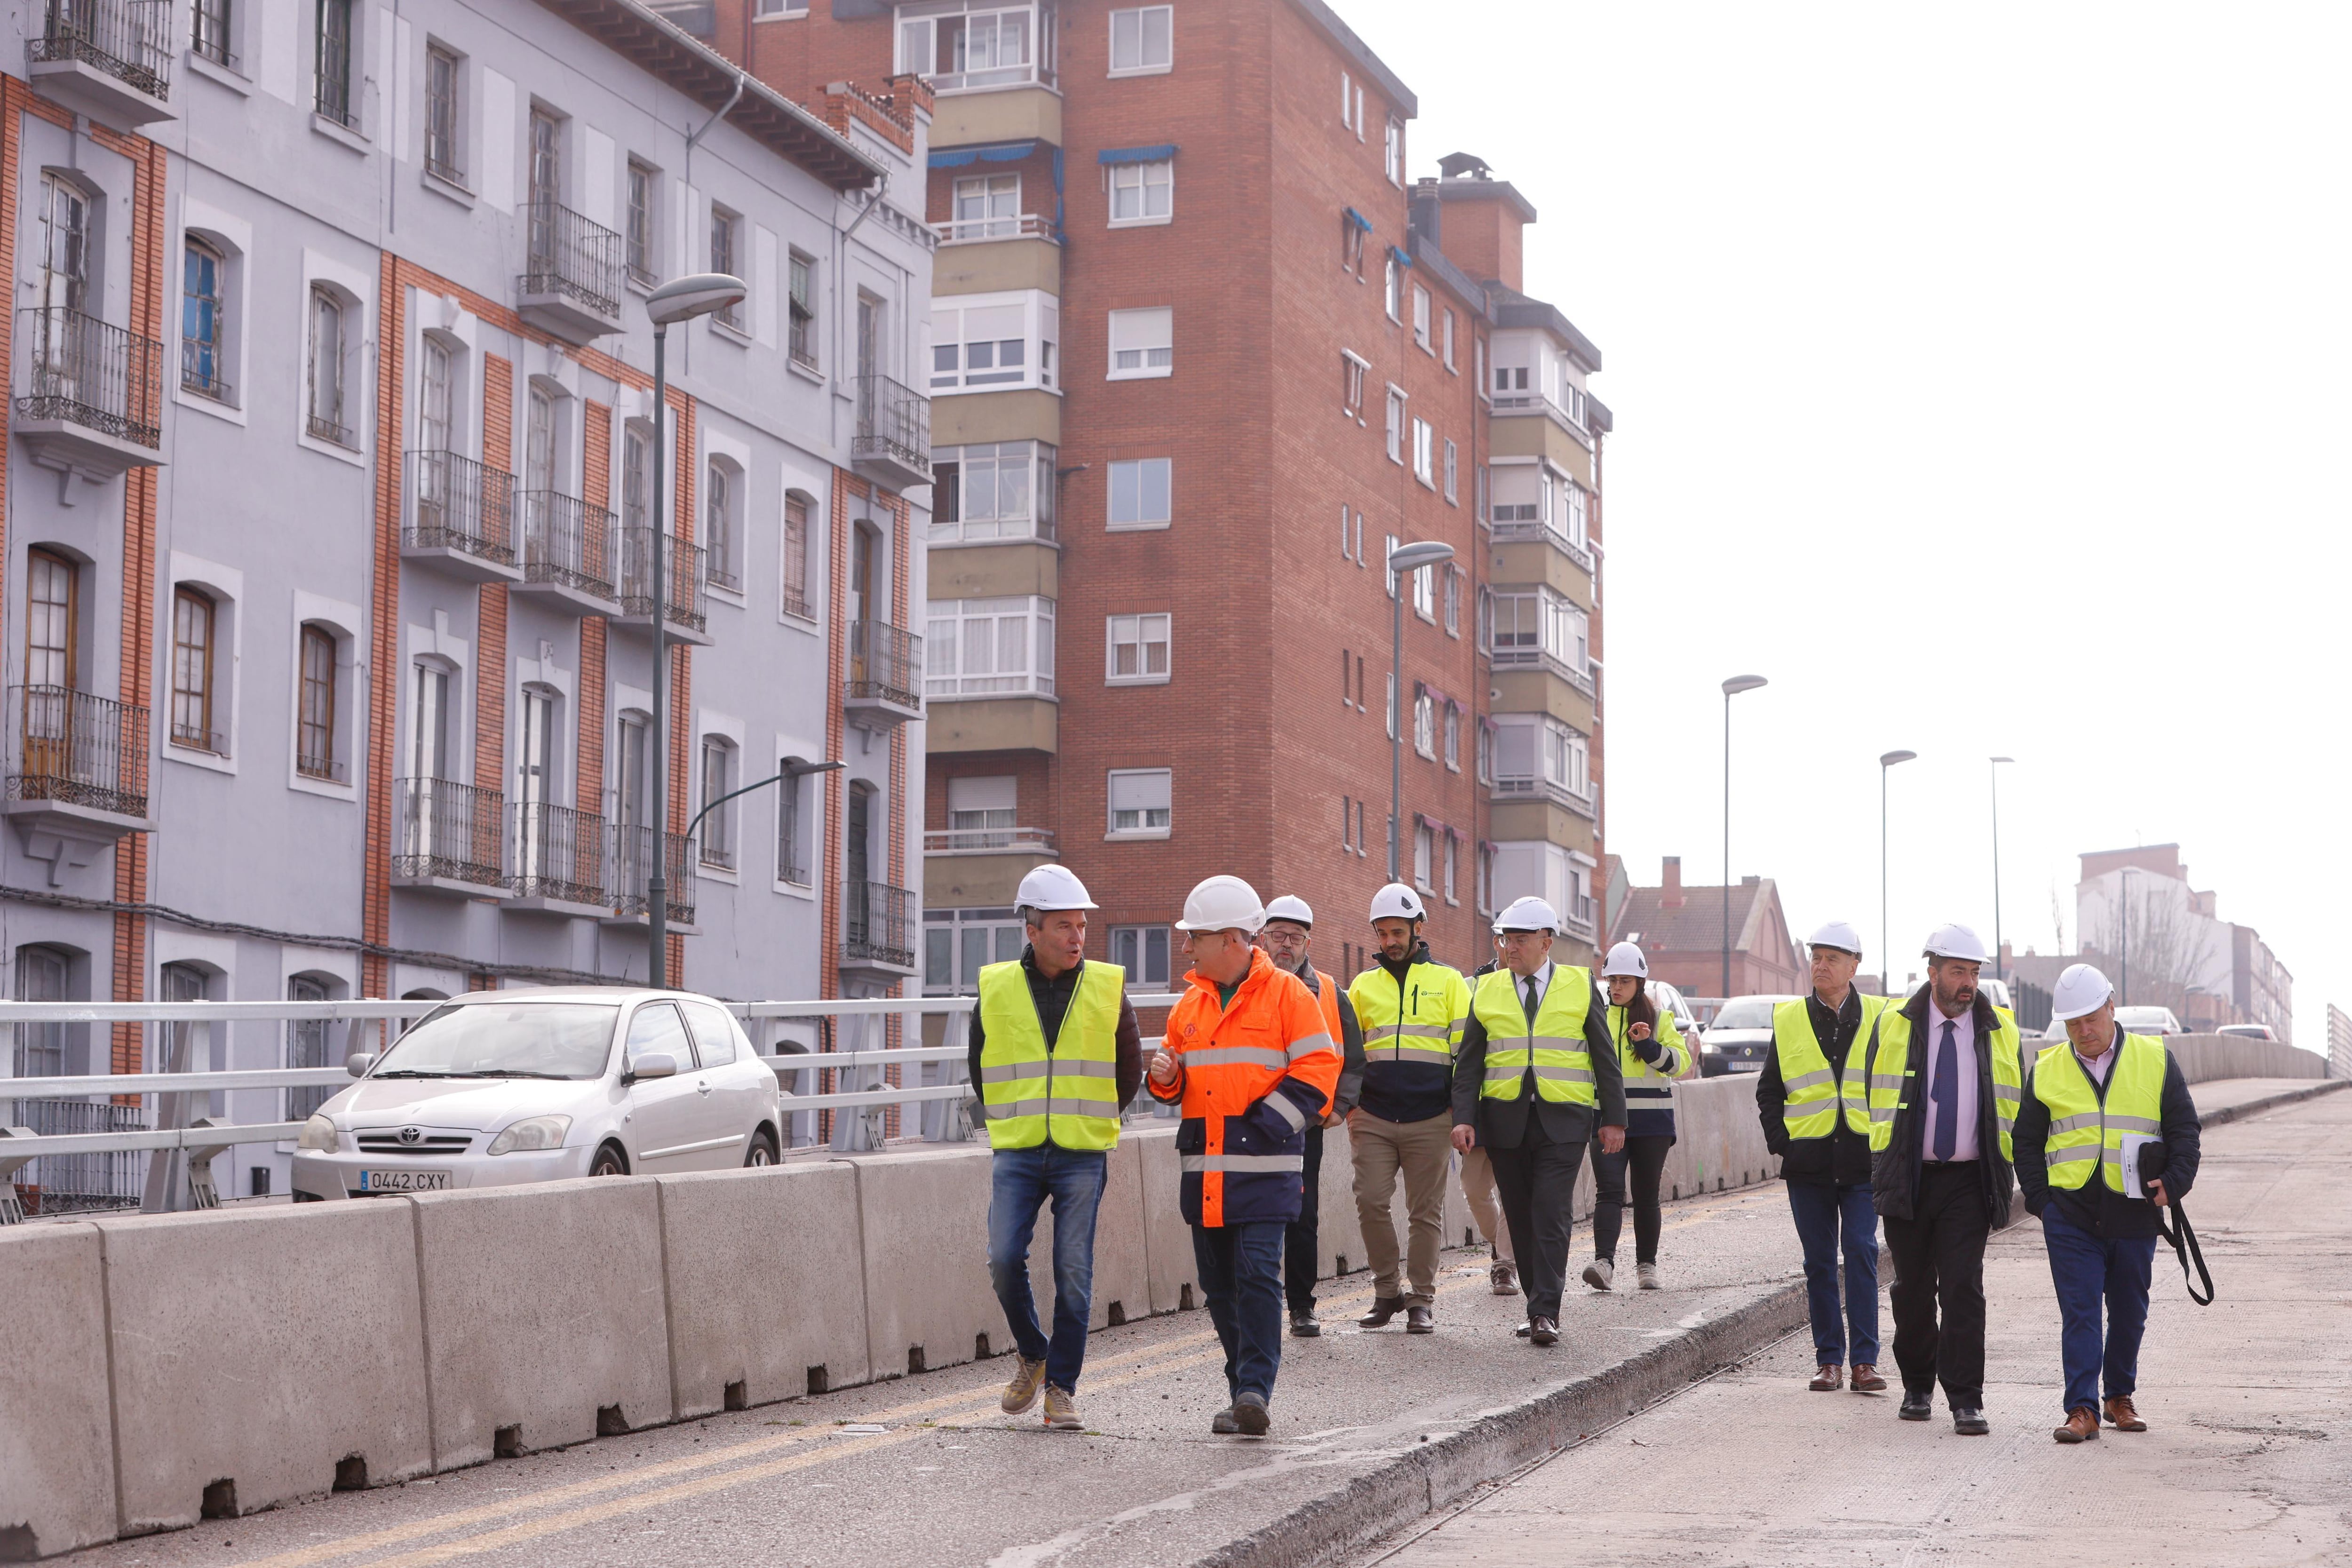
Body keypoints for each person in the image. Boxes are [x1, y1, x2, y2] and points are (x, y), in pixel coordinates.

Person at [1149, 875, 1341, 1436]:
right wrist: (1165, 1078)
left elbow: (1317, 1074)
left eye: (1195, 937)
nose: (1185, 948)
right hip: (1205, 1171)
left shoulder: (1289, 996)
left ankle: (1255, 1387)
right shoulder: (1188, 1004)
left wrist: (1262, 1129)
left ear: (1232, 939)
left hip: (1263, 1167)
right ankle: (1241, 1391)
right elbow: (1175, 1084)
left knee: (1258, 1273)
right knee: (1218, 1286)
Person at [970, 865, 1144, 1431]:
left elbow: (1128, 1070)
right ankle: (1032, 1350)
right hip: (1018, 1148)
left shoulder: (1107, 986)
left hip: (1079, 1151)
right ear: (1032, 930)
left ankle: (1062, 1388)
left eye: (1082, 927)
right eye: (1064, 927)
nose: (1076, 938)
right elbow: (980, 1064)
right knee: (1001, 1260)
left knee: (1072, 1270)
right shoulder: (995, 986)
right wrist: (1013, 1115)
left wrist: (1092, 1120)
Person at [2012, 963, 2201, 1445]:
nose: (2083, 1032)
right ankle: (2081, 1408)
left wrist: (2175, 1182)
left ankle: (2118, 1396)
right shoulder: (2047, 1067)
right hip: (2069, 1213)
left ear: (2111, 1007)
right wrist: (2041, 1201)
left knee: (2129, 1309)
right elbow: (2025, 1143)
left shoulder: (2155, 1058)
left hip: (2134, 1210)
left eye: (2091, 1019)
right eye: (2072, 1024)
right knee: (2079, 1311)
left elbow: (2183, 1130)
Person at [1864, 923, 2024, 1436]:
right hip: (1908, 1177)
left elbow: (2014, 1105)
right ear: (1931, 972)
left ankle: (1965, 1399)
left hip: (1968, 1181)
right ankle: (1916, 1385)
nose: (1967, 984)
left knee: (1962, 1289)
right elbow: (1871, 1096)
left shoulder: (2000, 1028)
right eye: (1957, 972)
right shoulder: (1892, 1025)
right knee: (1911, 1290)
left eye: (1974, 973)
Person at [1449, 896, 1625, 1346]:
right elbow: (1469, 1063)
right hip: (1506, 1121)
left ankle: (1546, 1310)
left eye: (1521, 939)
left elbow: (1605, 1057)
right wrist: (1464, 1118)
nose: (1511, 947)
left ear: (1547, 942)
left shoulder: (1578, 984)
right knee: (1523, 1217)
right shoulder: (1486, 988)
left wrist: (1613, 1118)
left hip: (1564, 1119)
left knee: (1551, 1211)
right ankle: (1538, 1304)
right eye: (1507, 938)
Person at [1755, 921, 1893, 1394]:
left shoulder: (1881, 1017)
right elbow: (1768, 1091)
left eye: (1831, 958)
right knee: (1817, 1263)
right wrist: (1783, 1143)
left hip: (1861, 1162)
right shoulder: (1789, 1018)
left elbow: (1899, 1084)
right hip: (1808, 1165)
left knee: (1860, 1252)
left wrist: (1889, 1144)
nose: (1820, 965)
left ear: (1854, 966)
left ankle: (1865, 1363)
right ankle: (1828, 1361)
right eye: (1815, 957)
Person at [1345, 882, 1473, 1333]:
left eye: (1398, 932)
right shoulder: (1362, 986)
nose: (1390, 941)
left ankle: (1421, 1299)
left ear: (1418, 928)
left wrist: (1462, 1115)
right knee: (1371, 1202)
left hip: (1432, 1117)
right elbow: (1348, 1052)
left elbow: (1467, 1056)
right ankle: (1386, 1292)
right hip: (1374, 1116)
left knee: (1425, 1212)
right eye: (1382, 934)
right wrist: (1351, 1107)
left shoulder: (1449, 982)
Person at [1255, 895, 1366, 1338]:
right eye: (1278, 935)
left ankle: (1302, 1306)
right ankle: (1252, 1302)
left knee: (1302, 1214)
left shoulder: (1328, 990)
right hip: (1249, 1122)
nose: (1286, 944)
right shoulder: (1245, 984)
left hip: (1306, 1124)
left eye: (1295, 937)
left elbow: (1352, 1056)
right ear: (1263, 937)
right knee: (1250, 1214)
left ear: (1308, 941)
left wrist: (1340, 1107)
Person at [1581, 940, 1687, 1291]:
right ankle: (1604, 1263)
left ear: (1640, 982)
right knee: (1608, 1191)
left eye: (1624, 980)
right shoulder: (1596, 1018)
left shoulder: (1660, 1020)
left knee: (1646, 1195)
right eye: (1612, 980)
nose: (1616, 987)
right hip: (1607, 1121)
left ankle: (1647, 1266)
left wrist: (1648, 1046)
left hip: (1652, 1124)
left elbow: (1681, 1063)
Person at [1463, 938, 1522, 1297]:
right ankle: (1505, 1245)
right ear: (1497, 944)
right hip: (1478, 1105)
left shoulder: (1536, 989)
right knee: (1473, 1189)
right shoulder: (1475, 985)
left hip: (1513, 1104)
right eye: (1506, 940)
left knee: (1513, 1189)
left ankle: (1504, 1265)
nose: (1511, 947)